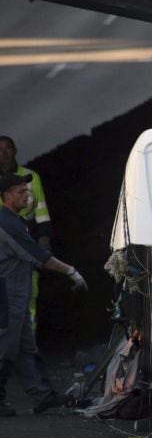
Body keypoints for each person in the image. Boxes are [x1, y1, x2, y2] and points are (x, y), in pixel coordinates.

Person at [0, 173, 87, 416]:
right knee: (5, 348)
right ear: (6, 196)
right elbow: (37, 255)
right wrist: (71, 271)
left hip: (16, 295)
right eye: (20, 192)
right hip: (6, 296)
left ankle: (41, 395)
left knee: (24, 347)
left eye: (26, 191)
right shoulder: (7, 224)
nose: (26, 195)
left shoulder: (14, 221)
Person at [0, 136, 51, 331]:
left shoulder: (31, 177)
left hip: (25, 247)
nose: (3, 154)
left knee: (29, 299)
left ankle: (28, 351)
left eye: (7, 149)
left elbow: (43, 217)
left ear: (15, 150)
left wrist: (43, 247)